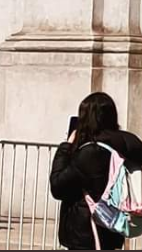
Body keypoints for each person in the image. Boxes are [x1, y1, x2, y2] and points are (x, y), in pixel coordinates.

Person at [49, 91, 142, 250]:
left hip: (86, 234)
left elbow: (57, 186)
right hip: (112, 228)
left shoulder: (91, 153)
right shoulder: (129, 146)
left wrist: (66, 147)